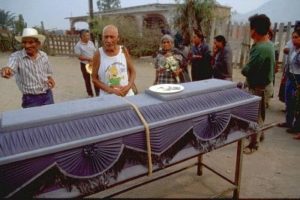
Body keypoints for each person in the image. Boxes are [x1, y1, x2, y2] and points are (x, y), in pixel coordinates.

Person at [241, 14, 275, 153]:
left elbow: (246, 70)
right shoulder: (264, 44)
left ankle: (253, 144)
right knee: (258, 114)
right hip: (258, 85)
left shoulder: (262, 49)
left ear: (254, 30)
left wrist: (245, 69)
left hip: (260, 88)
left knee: (255, 117)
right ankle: (259, 135)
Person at [1, 27, 55, 108]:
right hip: (30, 99)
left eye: (30, 42)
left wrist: (50, 78)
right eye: (24, 42)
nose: (27, 45)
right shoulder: (16, 56)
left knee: (50, 117)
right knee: (33, 120)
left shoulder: (43, 55)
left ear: (38, 43)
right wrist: (5, 70)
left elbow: (47, 71)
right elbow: (10, 68)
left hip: (47, 94)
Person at [91, 25, 136, 97]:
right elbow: (94, 79)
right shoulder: (98, 54)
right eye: (106, 37)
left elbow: (133, 71)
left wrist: (128, 87)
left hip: (127, 95)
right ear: (102, 38)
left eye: (112, 37)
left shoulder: (123, 50)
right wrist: (111, 90)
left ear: (118, 38)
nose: (108, 40)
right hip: (108, 98)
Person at [278, 29, 300, 137]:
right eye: (293, 37)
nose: (294, 40)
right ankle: (288, 121)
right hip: (290, 77)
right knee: (289, 100)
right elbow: (289, 63)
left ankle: (297, 126)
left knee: (297, 103)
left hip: (298, 79)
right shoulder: (293, 50)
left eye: (296, 37)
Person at [74, 29, 98, 97]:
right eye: (86, 36)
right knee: (87, 80)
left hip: (93, 64)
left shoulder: (91, 43)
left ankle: (98, 93)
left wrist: (95, 58)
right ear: (82, 36)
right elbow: (79, 57)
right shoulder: (78, 46)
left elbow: (95, 51)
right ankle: (90, 94)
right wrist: (89, 59)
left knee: (95, 79)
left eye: (88, 35)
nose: (88, 37)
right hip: (84, 65)